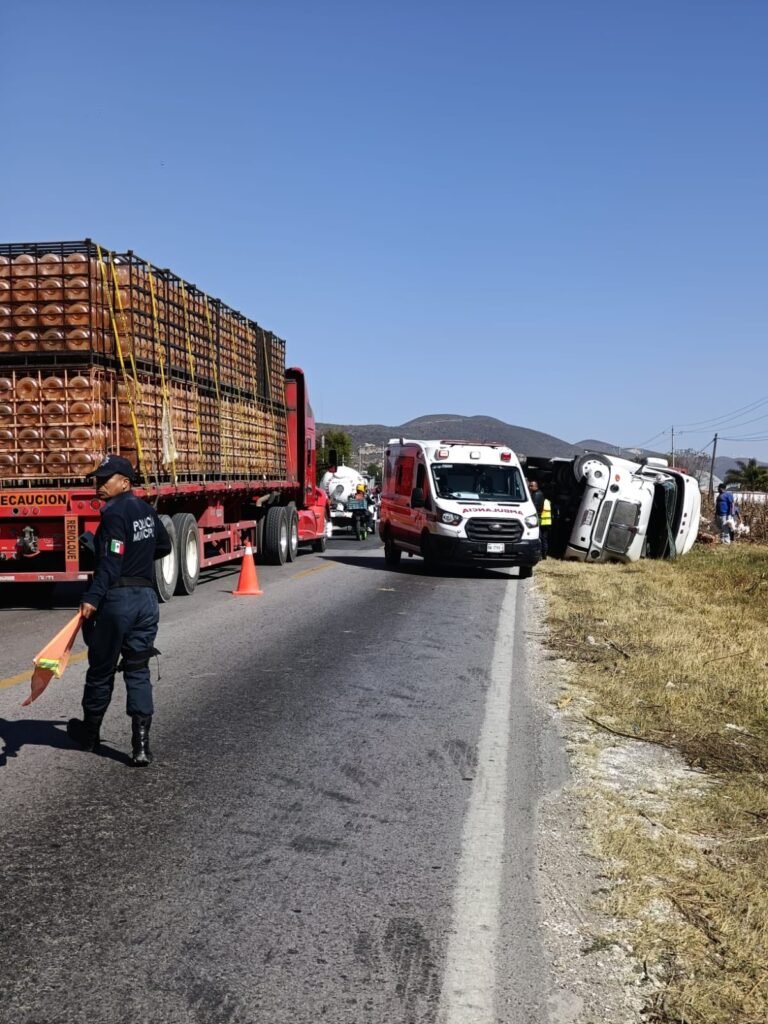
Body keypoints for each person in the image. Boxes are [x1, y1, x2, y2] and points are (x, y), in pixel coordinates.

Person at [67, 455, 172, 766]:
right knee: (138, 669)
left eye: (106, 479)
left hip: (119, 601)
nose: (99, 484)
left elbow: (111, 564)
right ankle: (141, 746)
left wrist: (92, 598)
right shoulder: (146, 511)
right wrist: (138, 557)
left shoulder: (113, 513)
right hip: (147, 601)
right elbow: (164, 546)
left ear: (125, 482)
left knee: (101, 669)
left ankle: (89, 735)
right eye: (98, 479)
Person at [529, 479, 552, 559]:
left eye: (531, 486)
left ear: (536, 486)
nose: (529, 487)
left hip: (540, 520)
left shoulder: (536, 495)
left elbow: (534, 508)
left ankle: (541, 555)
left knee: (540, 538)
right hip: (545, 521)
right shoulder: (539, 494)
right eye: (529, 485)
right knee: (543, 538)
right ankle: (544, 555)